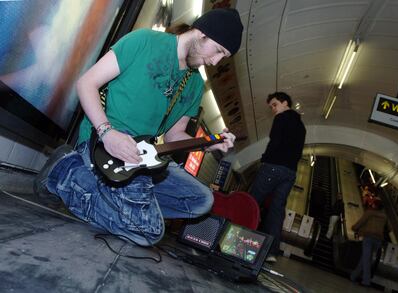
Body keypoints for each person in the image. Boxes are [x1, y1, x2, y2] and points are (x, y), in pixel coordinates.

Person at [33, 8, 243, 246]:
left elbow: (175, 136)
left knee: (201, 200)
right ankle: (65, 171)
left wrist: (209, 145)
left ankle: (118, 200)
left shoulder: (194, 84)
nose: (215, 62)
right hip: (102, 144)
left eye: (222, 57)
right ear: (202, 32)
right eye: (218, 51)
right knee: (148, 233)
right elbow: (86, 83)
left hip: (142, 158)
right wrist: (107, 132)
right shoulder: (144, 41)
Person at [249, 92, 306, 262]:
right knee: (276, 211)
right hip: (290, 173)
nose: (273, 109)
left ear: (285, 102)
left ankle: (234, 238)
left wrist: (265, 160)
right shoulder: (301, 126)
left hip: (273, 167)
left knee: (252, 202)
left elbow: (274, 142)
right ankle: (271, 252)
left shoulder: (281, 118)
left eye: (274, 104)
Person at [350, 198, 391, 287]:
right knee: (365, 258)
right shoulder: (384, 216)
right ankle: (353, 276)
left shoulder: (369, 213)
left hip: (369, 237)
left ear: (374, 205)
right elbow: (389, 229)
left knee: (366, 259)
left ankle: (366, 281)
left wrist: (354, 228)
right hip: (378, 240)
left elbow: (361, 222)